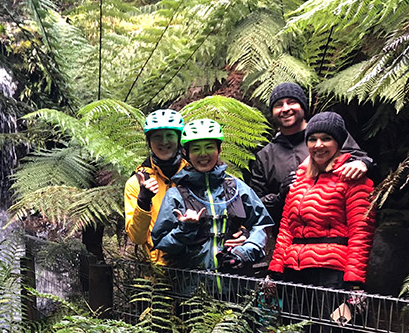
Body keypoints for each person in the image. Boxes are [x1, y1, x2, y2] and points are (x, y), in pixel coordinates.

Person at [267, 112, 376, 290]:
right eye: (312, 139)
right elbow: (287, 229)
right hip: (294, 272)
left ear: (338, 143)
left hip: (333, 275)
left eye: (326, 139)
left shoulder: (354, 178)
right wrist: (275, 271)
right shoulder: (298, 179)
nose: (318, 145)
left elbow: (361, 233)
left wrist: (354, 283)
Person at [151, 119, 273, 272]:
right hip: (192, 288)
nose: (203, 154)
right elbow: (162, 242)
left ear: (219, 150)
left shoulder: (237, 188)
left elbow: (261, 225)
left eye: (209, 147)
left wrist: (245, 249)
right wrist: (185, 229)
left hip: (235, 287)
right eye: (196, 149)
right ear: (186, 153)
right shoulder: (176, 195)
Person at [250, 82, 374, 225]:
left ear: (303, 106)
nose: (285, 109)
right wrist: (280, 196)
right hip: (288, 234)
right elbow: (255, 204)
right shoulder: (265, 156)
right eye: (278, 105)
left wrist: (362, 163)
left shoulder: (330, 134)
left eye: (291, 102)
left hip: (337, 230)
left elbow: (360, 158)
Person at [124, 109, 188, 264]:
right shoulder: (136, 183)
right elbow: (137, 238)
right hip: (157, 275)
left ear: (179, 139)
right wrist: (143, 202)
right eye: (157, 136)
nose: (164, 142)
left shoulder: (195, 175)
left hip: (195, 269)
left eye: (170, 136)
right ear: (149, 141)